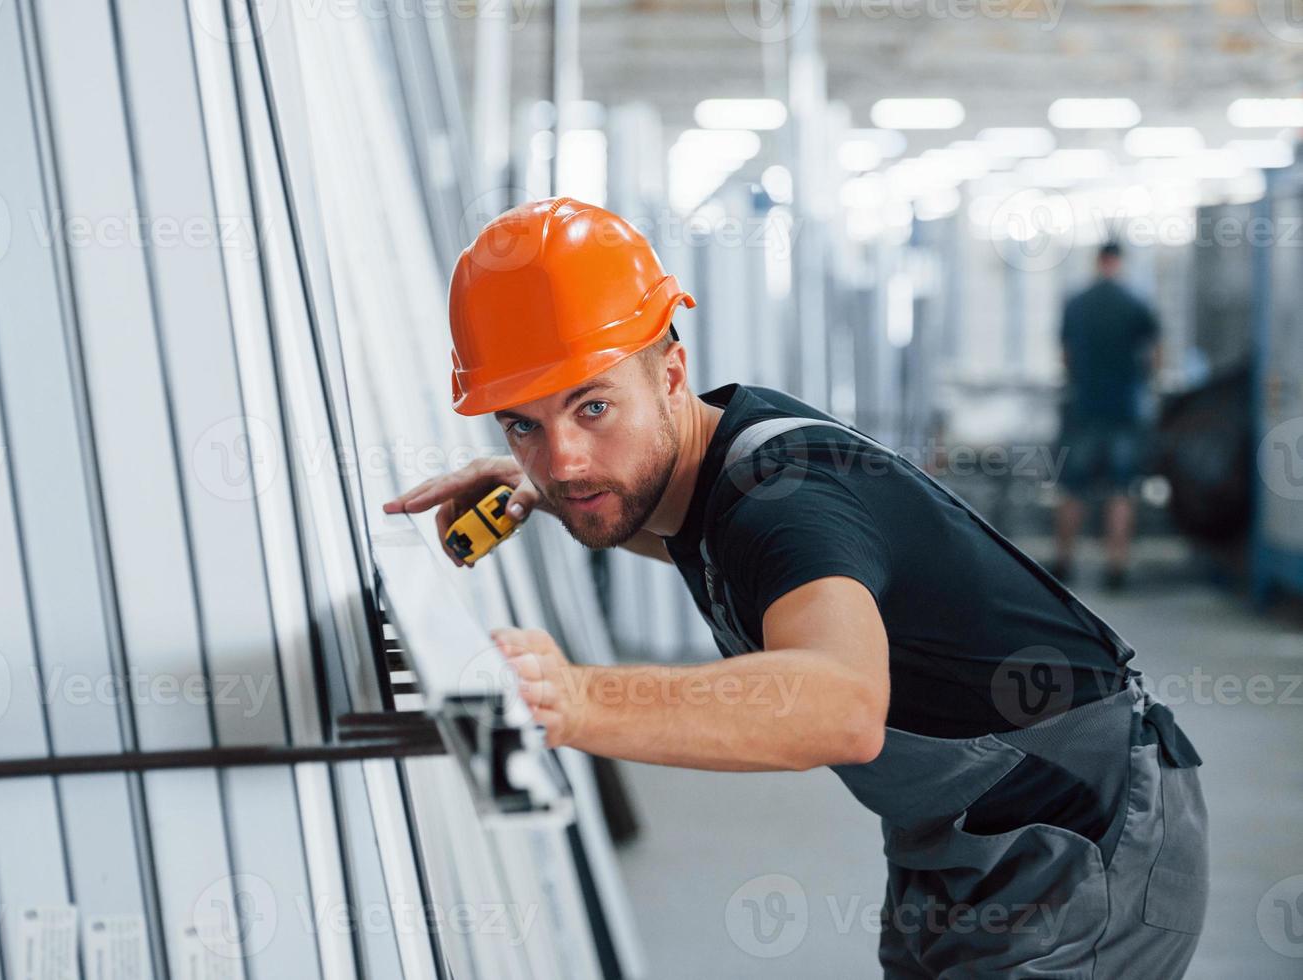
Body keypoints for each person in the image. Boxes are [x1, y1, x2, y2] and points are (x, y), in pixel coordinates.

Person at [385, 198, 1207, 977]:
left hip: (1083, 833)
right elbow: (693, 544)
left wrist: (574, 702)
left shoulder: (785, 500)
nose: (561, 457)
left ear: (672, 372)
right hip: (959, 836)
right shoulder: (697, 477)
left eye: (592, 408)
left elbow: (841, 707)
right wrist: (549, 494)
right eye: (524, 426)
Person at [1053, 241, 1161, 591]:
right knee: (1121, 489)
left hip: (1083, 409)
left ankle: (1064, 562)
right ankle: (1116, 567)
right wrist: (1141, 382)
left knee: (1072, 487)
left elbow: (1066, 355)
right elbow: (1156, 354)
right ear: (1120, 262)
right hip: (1124, 411)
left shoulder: (1077, 303)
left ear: (1097, 261)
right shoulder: (1136, 303)